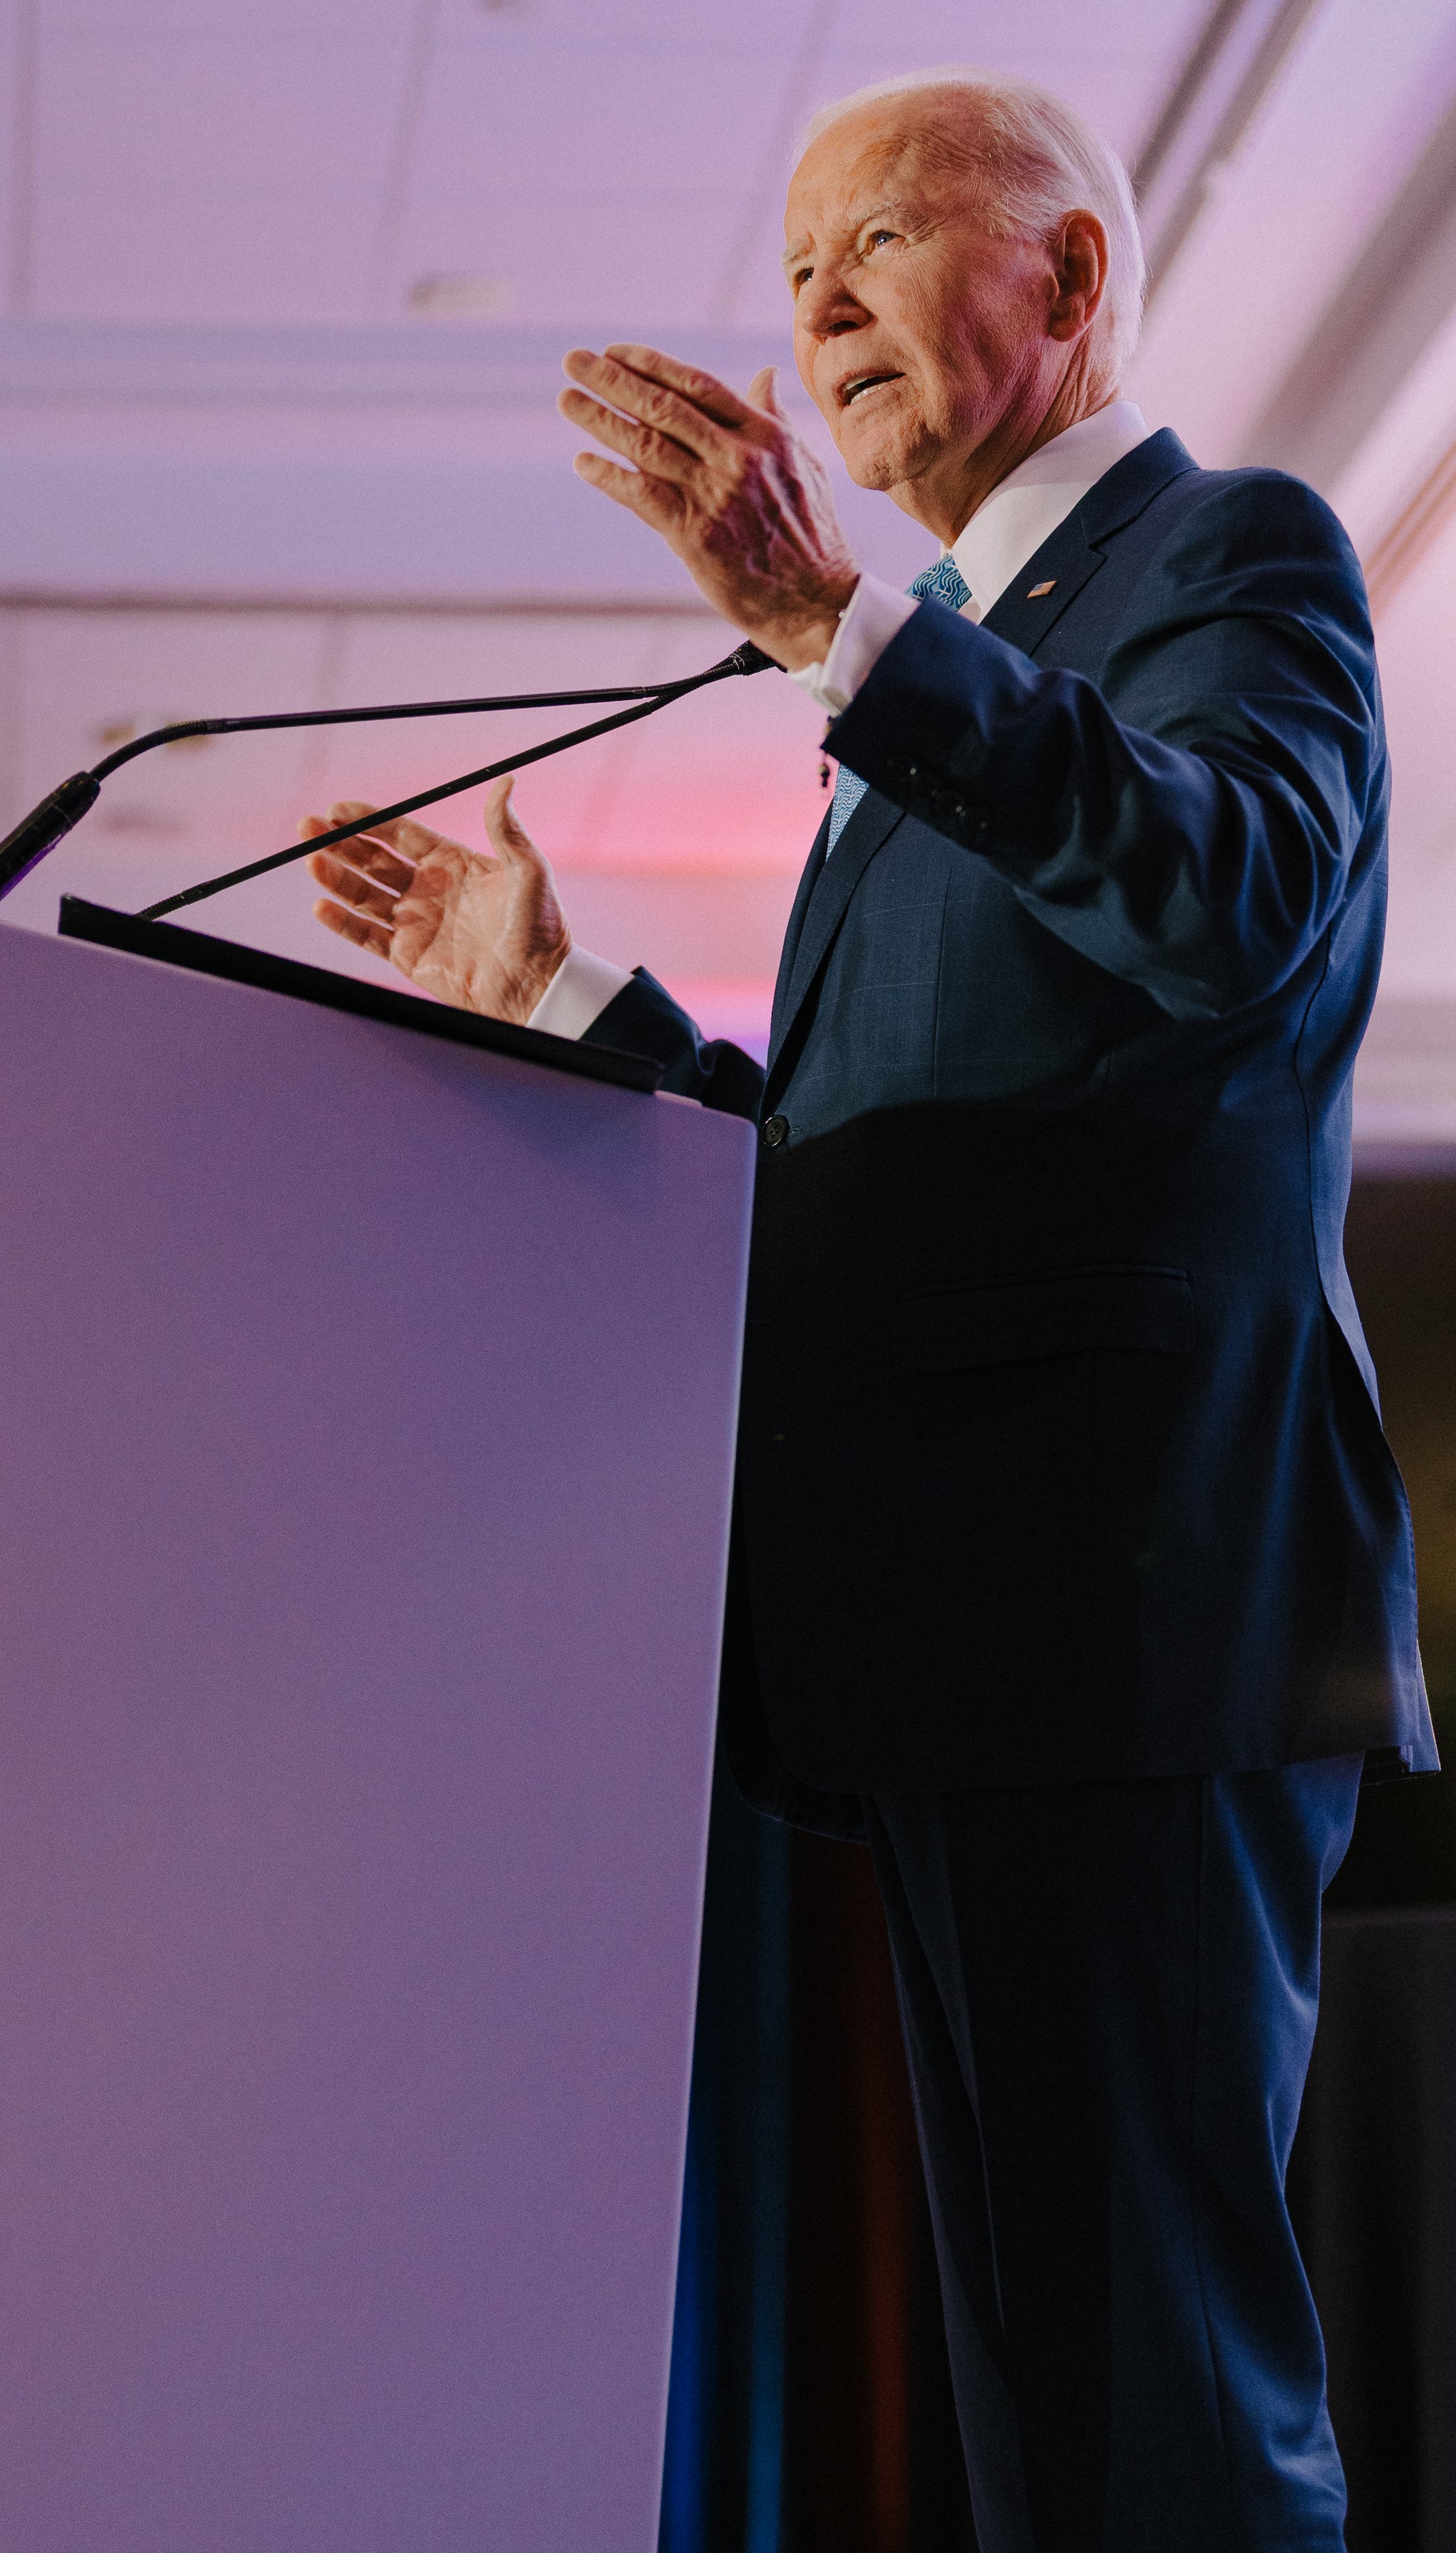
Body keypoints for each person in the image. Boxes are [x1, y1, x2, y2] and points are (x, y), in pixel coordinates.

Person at [304, 67, 1436, 2553]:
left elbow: (1232, 901)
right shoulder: (947, 683)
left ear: (1069, 276)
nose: (813, 303)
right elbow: (871, 1177)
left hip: (1133, 1603)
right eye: (794, 265)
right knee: (1058, 2404)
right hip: (977, 1624)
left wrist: (838, 624)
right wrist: (560, 998)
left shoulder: (1225, 555)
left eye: (878, 241)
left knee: (1156, 2394)